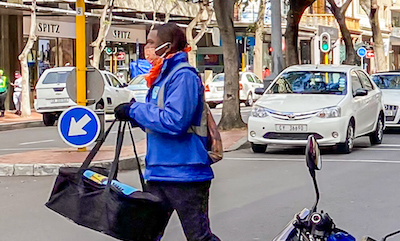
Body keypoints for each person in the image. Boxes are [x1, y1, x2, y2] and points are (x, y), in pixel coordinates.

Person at [114, 23, 220, 241]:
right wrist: (135, 116)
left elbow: (175, 122)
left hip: (186, 174)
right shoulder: (161, 77)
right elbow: (159, 121)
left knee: (198, 237)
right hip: (159, 172)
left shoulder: (183, 76)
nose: (147, 47)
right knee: (144, 235)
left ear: (167, 45)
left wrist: (135, 110)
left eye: (151, 42)